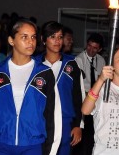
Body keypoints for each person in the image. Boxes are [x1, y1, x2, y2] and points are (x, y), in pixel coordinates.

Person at [0, 19, 60, 155]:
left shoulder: (44, 74)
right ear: (11, 40)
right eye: (24, 37)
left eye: (33, 37)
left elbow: (53, 115)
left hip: (33, 145)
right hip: (0, 145)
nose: (30, 41)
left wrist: (50, 150)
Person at [35, 21, 83, 155]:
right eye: (52, 36)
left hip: (65, 122)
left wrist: (78, 125)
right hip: (39, 121)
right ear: (43, 40)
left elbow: (78, 97)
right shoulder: (35, 64)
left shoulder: (72, 64)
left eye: (60, 37)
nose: (57, 41)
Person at [75, 33, 106, 155]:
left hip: (98, 100)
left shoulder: (101, 60)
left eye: (94, 48)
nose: (90, 50)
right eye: (89, 46)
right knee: (85, 132)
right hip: (84, 100)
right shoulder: (79, 60)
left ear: (99, 49)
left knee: (96, 131)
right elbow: (79, 86)